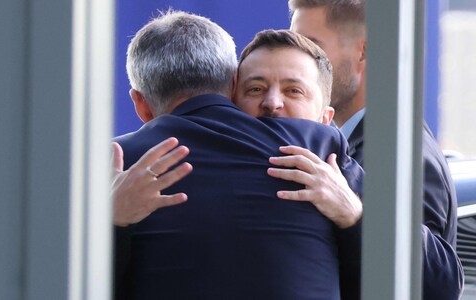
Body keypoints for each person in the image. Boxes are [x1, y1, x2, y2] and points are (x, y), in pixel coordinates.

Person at [112, 11, 363, 300]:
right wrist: (356, 217)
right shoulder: (319, 148)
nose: (272, 104)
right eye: (256, 88)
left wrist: (110, 221)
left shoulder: (115, 164)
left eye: (294, 91)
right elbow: (414, 275)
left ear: (140, 105)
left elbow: (61, 282)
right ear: (233, 86)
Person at [287, 0, 464, 299]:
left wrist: (357, 214)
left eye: (312, 49)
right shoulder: (341, 142)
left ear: (364, 51)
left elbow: (438, 283)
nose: (297, 63)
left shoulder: (404, 154)